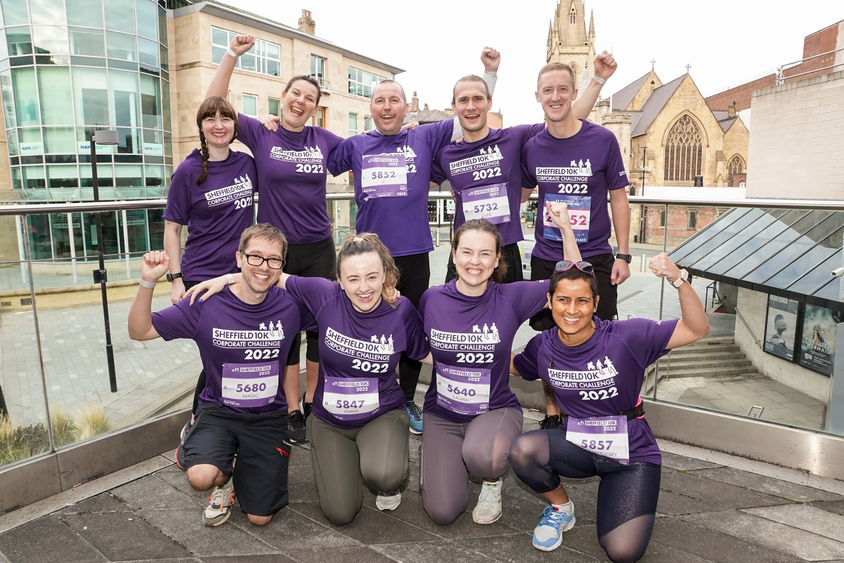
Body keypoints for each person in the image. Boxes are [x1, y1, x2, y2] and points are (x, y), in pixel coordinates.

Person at [186, 233, 428, 526]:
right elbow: (271, 273)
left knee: (386, 475)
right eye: (353, 279)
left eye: (372, 277)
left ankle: (384, 478)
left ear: (385, 276)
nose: (363, 288)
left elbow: (425, 352)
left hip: (381, 413)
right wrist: (226, 280)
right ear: (338, 278)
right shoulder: (323, 294)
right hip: (330, 422)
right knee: (340, 514)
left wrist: (485, 358)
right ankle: (349, 459)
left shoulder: (400, 310)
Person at [326, 48, 501, 434]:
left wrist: (490, 73)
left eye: (394, 101)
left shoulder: (423, 136)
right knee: (366, 328)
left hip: (413, 254)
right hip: (368, 258)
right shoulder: (355, 146)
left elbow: (468, 116)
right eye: (380, 101)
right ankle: (367, 396)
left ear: (406, 107)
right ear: (370, 107)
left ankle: (405, 399)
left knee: (409, 329)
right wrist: (275, 124)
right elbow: (316, 150)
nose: (387, 107)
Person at [508, 253, 710, 561]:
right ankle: (562, 508)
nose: (572, 310)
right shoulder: (542, 345)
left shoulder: (627, 336)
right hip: (576, 444)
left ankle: (620, 495)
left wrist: (678, 279)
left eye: (582, 301)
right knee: (523, 450)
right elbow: (513, 366)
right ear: (549, 301)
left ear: (596, 303)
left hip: (631, 454)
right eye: (563, 300)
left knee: (622, 551)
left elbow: (696, 329)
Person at [205, 34, 344, 442]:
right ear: (282, 97)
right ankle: (292, 408)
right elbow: (213, 104)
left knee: (320, 330)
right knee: (285, 330)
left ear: (316, 108)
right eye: (295, 93)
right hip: (275, 255)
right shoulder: (261, 134)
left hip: (319, 248)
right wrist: (231, 53)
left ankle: (316, 402)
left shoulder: (325, 141)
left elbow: (367, 151)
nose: (301, 101)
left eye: (310, 98)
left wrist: (404, 132)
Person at [128, 224, 311, 527]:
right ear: (238, 257)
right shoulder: (205, 302)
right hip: (219, 411)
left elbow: (339, 297)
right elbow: (139, 330)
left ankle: (244, 468)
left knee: (260, 518)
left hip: (269, 417)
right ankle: (220, 473)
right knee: (200, 477)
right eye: (255, 257)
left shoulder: (292, 305)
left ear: (282, 266)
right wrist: (148, 282)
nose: (264, 266)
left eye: (273, 260)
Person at [418, 202, 580, 526]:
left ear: (496, 261)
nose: (474, 262)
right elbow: (421, 348)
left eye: (484, 254)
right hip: (442, 413)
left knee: (485, 458)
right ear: (453, 255)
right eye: (466, 252)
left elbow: (571, 279)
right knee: (442, 512)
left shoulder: (511, 298)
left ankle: (491, 483)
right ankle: (449, 459)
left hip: (494, 408)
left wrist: (565, 228)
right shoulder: (432, 299)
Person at [432, 52, 616, 284]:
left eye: (478, 99)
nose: (471, 107)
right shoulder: (446, 154)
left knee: (507, 319)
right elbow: (415, 182)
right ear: (454, 107)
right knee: (457, 317)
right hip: (465, 252)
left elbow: (564, 118)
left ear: (489, 103)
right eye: (463, 100)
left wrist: (598, 80)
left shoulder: (513, 138)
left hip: (505, 250)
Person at [521, 61, 631, 430]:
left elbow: (618, 198)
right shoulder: (532, 145)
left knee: (601, 336)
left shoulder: (602, 140)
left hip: (595, 255)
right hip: (547, 258)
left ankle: (598, 410)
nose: (555, 97)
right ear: (538, 97)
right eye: (548, 91)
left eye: (562, 90)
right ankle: (553, 414)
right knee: (550, 340)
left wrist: (625, 254)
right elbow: (519, 192)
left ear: (573, 93)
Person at [162, 96, 257, 483]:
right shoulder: (188, 171)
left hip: (241, 275)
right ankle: (202, 425)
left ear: (234, 125)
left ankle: (214, 427)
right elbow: (172, 228)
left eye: (226, 118)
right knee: (218, 353)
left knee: (233, 350)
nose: (219, 125)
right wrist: (175, 278)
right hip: (203, 277)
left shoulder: (247, 164)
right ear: (200, 126)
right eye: (210, 119)